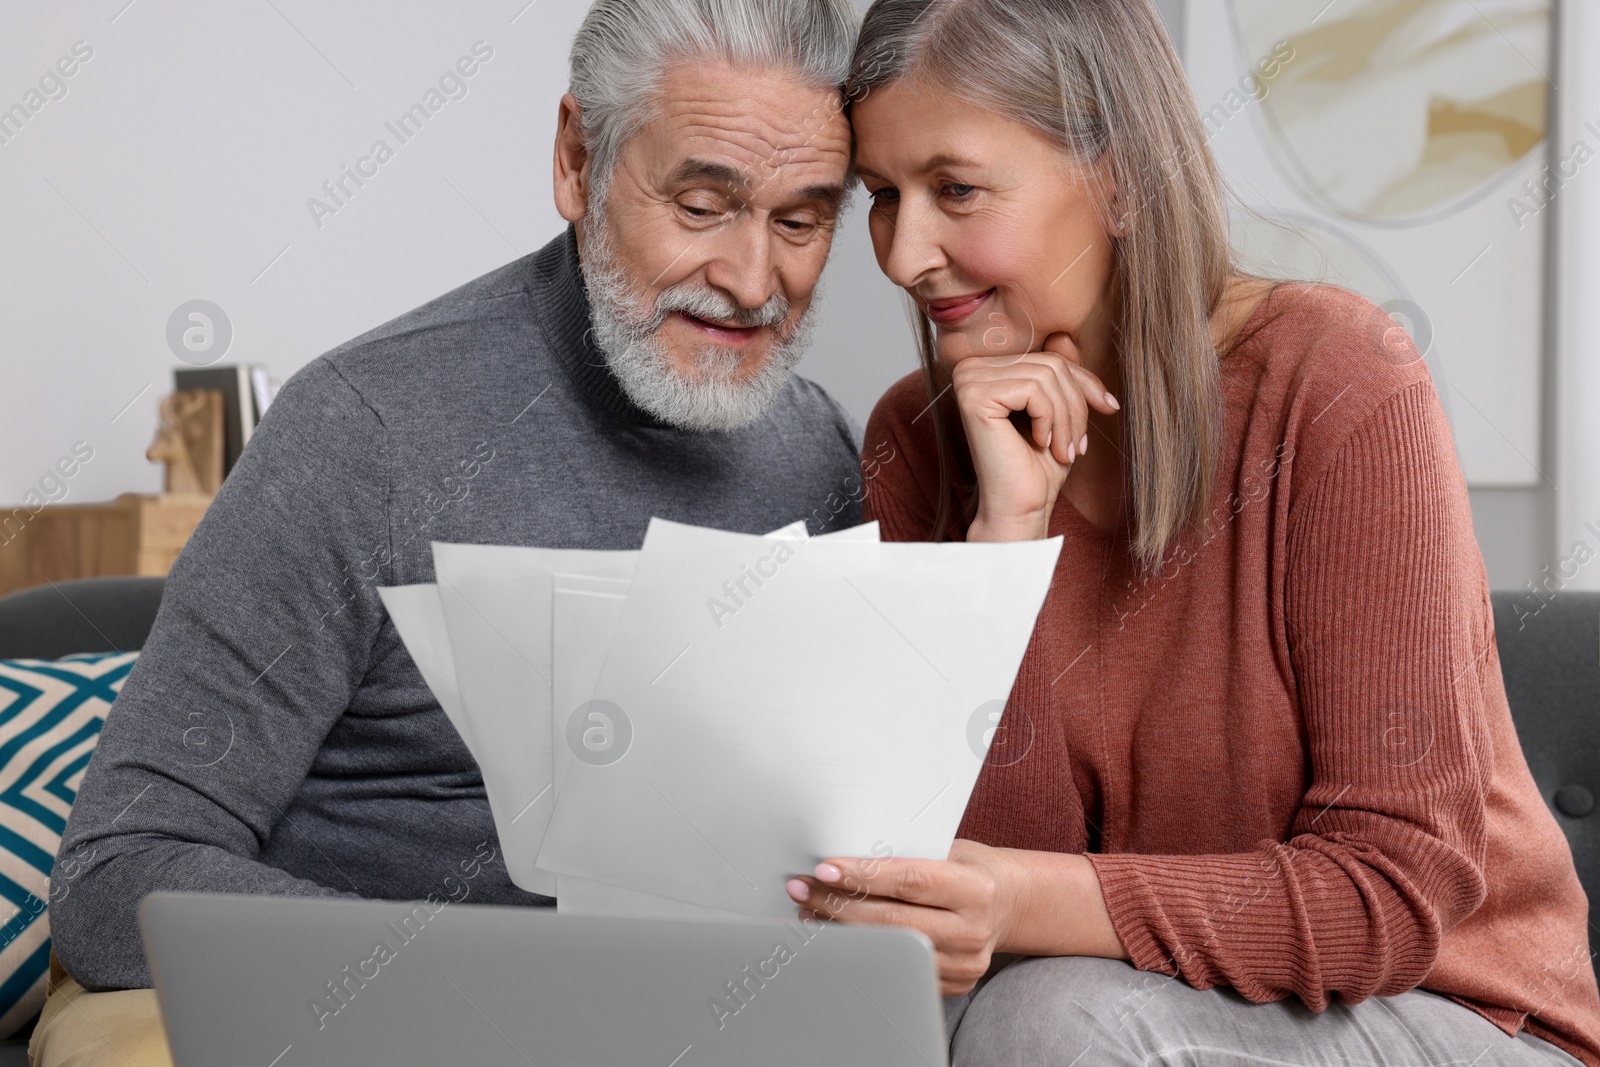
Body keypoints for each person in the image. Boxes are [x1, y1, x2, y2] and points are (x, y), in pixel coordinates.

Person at [35, 1, 864, 1063]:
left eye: (801, 222)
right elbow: (115, 874)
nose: (755, 282)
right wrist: (488, 987)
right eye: (703, 205)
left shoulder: (824, 457)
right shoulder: (363, 431)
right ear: (576, 159)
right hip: (352, 1014)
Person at [784, 1, 1600, 1064]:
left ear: (1119, 178)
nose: (901, 253)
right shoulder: (918, 436)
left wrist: (1014, 896)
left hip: (1459, 1009)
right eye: (882, 198)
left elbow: (1390, 896)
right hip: (1118, 1004)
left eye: (955, 190)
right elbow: (974, 903)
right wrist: (1008, 539)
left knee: (1048, 1021)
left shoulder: (1336, 383)